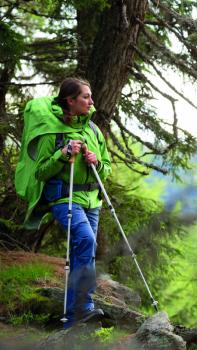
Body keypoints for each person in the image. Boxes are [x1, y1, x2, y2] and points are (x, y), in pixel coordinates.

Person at [16, 77, 111, 328]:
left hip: (92, 200)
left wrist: (96, 163)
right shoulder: (53, 131)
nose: (92, 101)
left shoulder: (93, 130)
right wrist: (63, 154)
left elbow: (108, 168)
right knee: (87, 241)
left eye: (90, 96)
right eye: (85, 97)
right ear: (70, 100)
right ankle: (83, 307)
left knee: (85, 250)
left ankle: (74, 315)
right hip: (64, 198)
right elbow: (41, 172)